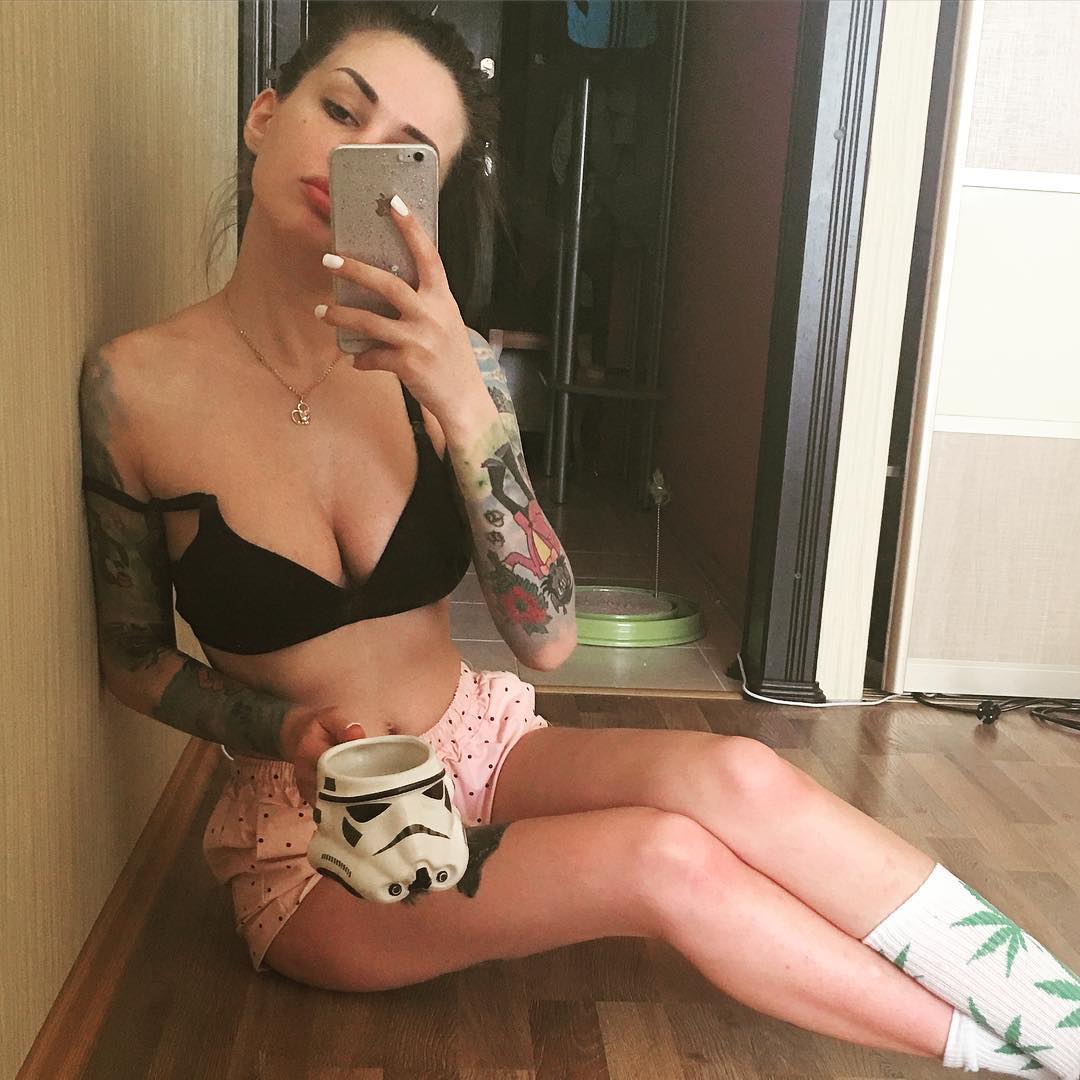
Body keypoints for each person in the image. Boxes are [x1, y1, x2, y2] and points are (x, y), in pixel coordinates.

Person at [78, 5, 1078, 1077]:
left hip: (487, 750)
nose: (359, 156)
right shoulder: (133, 390)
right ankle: (1026, 1053)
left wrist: (465, 405)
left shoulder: (448, 367)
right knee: (660, 859)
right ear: (264, 114)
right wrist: (283, 728)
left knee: (738, 775)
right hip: (321, 837)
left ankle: (1053, 1027)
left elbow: (549, 641)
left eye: (408, 154)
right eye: (342, 111)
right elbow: (131, 660)